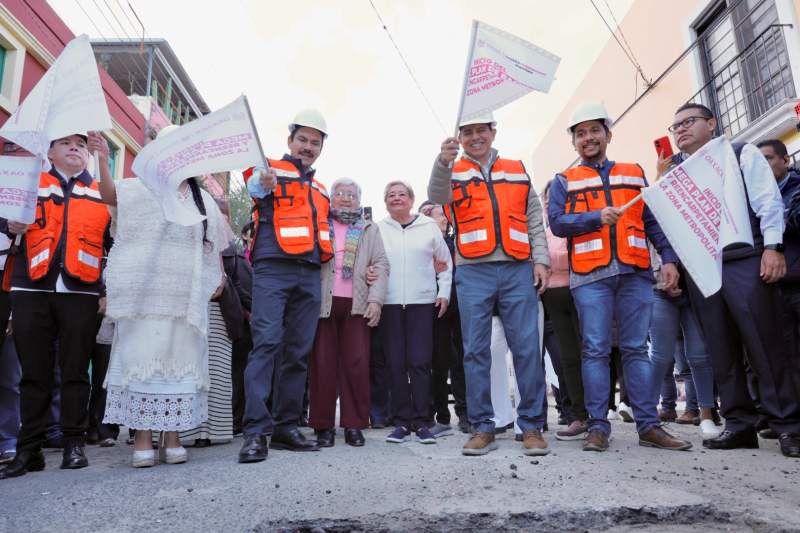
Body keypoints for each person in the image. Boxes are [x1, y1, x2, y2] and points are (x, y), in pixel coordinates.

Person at [548, 102, 692, 453]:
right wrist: (597, 217)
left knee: (635, 350)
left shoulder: (633, 172)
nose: (588, 138)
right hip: (590, 278)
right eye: (581, 133)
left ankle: (648, 426)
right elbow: (557, 223)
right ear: (574, 143)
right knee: (595, 350)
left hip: (634, 272)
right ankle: (598, 426)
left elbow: (652, 220)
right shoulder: (564, 181)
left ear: (608, 134)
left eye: (594, 130)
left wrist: (669, 260)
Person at [666, 104, 800, 457]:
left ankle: (788, 425)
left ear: (711, 123)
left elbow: (768, 203)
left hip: (746, 258)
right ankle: (739, 423)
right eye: (675, 126)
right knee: (720, 350)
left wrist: (773, 247)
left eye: (688, 122)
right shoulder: (676, 173)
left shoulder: (741, 154)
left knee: (766, 344)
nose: (680, 130)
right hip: (703, 269)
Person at [99, 125, 230, 468]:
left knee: (180, 365)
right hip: (146, 297)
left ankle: (172, 437)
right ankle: (142, 438)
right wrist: (101, 158)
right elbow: (112, 196)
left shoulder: (201, 200)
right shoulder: (144, 188)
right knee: (144, 362)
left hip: (186, 300)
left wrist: (219, 274)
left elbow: (214, 243)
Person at [428, 113, 552, 457]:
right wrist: (442, 160)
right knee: (476, 351)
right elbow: (436, 193)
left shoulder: (515, 167)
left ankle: (530, 426)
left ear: (493, 132)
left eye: (481, 130)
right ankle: (483, 426)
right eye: (467, 132)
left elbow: (533, 218)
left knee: (527, 349)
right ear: (460, 138)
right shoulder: (452, 169)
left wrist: (540, 260)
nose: (475, 137)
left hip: (517, 268)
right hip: (472, 270)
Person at [0, 132, 113, 479]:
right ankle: (29, 450)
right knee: (34, 373)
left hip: (81, 290)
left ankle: (73, 445)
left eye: (80, 144)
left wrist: (107, 289)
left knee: (76, 370)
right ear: (49, 152)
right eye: (65, 143)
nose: (74, 148)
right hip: (31, 286)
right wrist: (11, 225)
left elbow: (114, 242)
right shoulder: (28, 182)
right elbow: (5, 221)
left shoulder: (100, 190)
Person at [239, 109, 333, 463]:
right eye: (303, 140)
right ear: (290, 140)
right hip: (273, 267)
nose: (308, 147)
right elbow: (254, 187)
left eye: (315, 142)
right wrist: (261, 183)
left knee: (297, 351)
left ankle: (285, 427)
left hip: (309, 272)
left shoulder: (322, 189)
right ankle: (255, 432)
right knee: (265, 345)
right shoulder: (269, 170)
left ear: (321, 147)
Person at [309, 178, 389, 448]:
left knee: (356, 365)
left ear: (359, 199)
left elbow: (380, 264)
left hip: (357, 304)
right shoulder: (320, 222)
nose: (345, 198)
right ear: (331, 198)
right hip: (323, 303)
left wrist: (376, 300)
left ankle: (354, 424)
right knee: (322, 365)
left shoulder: (368, 228)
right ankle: (322, 426)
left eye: (351, 194)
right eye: (340, 193)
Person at [378, 182, 451, 444]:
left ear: (411, 199)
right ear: (385, 202)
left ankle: (422, 422)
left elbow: (444, 263)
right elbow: (371, 263)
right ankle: (400, 422)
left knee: (420, 363)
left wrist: (443, 291)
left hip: (423, 303)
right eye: (391, 195)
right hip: (389, 303)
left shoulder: (428, 227)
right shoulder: (378, 229)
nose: (396, 198)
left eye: (401, 194)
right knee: (396, 364)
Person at [180, 198, 241, 448]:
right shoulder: (183, 229)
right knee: (187, 370)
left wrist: (222, 276)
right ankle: (184, 431)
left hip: (218, 310)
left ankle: (212, 431)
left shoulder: (230, 244)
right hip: (186, 305)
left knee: (216, 372)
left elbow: (237, 275)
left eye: (222, 213)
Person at [648, 246, 719, 439]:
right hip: (658, 286)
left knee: (699, 355)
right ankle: (648, 416)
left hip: (696, 285)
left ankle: (706, 415)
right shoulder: (655, 215)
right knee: (660, 354)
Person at [540, 180, 587, 441]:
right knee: (567, 359)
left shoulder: (577, 224)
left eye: (554, 197)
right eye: (546, 198)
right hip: (553, 299)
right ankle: (577, 415)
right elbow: (540, 259)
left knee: (590, 355)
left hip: (581, 292)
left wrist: (550, 264)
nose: (549, 202)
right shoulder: (542, 232)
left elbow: (562, 257)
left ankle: (598, 413)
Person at [419, 200, 466, 435]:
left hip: (459, 306)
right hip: (434, 308)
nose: (445, 219)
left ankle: (465, 413)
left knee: (461, 361)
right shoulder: (422, 244)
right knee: (438, 363)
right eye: (439, 215)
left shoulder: (455, 241)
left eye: (445, 216)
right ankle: (441, 416)